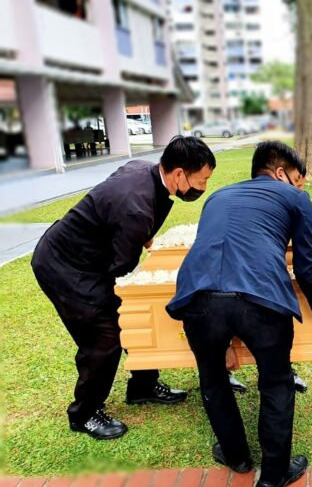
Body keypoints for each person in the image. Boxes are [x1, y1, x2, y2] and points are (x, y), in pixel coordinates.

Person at [166, 141, 312, 487]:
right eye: (298, 181)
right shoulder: (296, 199)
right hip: (261, 299)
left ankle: (237, 458)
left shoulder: (217, 197)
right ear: (282, 173)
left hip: (198, 299)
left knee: (213, 381)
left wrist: (221, 340)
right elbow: (306, 265)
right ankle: (272, 475)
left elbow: (218, 250)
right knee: (276, 383)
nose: (300, 189)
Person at [31, 135, 216, 440]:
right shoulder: (137, 209)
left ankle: (142, 386)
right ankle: (85, 414)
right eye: (202, 179)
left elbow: (116, 212)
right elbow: (122, 272)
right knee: (104, 334)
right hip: (65, 266)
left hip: (89, 256)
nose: (203, 187)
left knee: (131, 316)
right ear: (180, 174)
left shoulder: (144, 170)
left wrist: (137, 237)